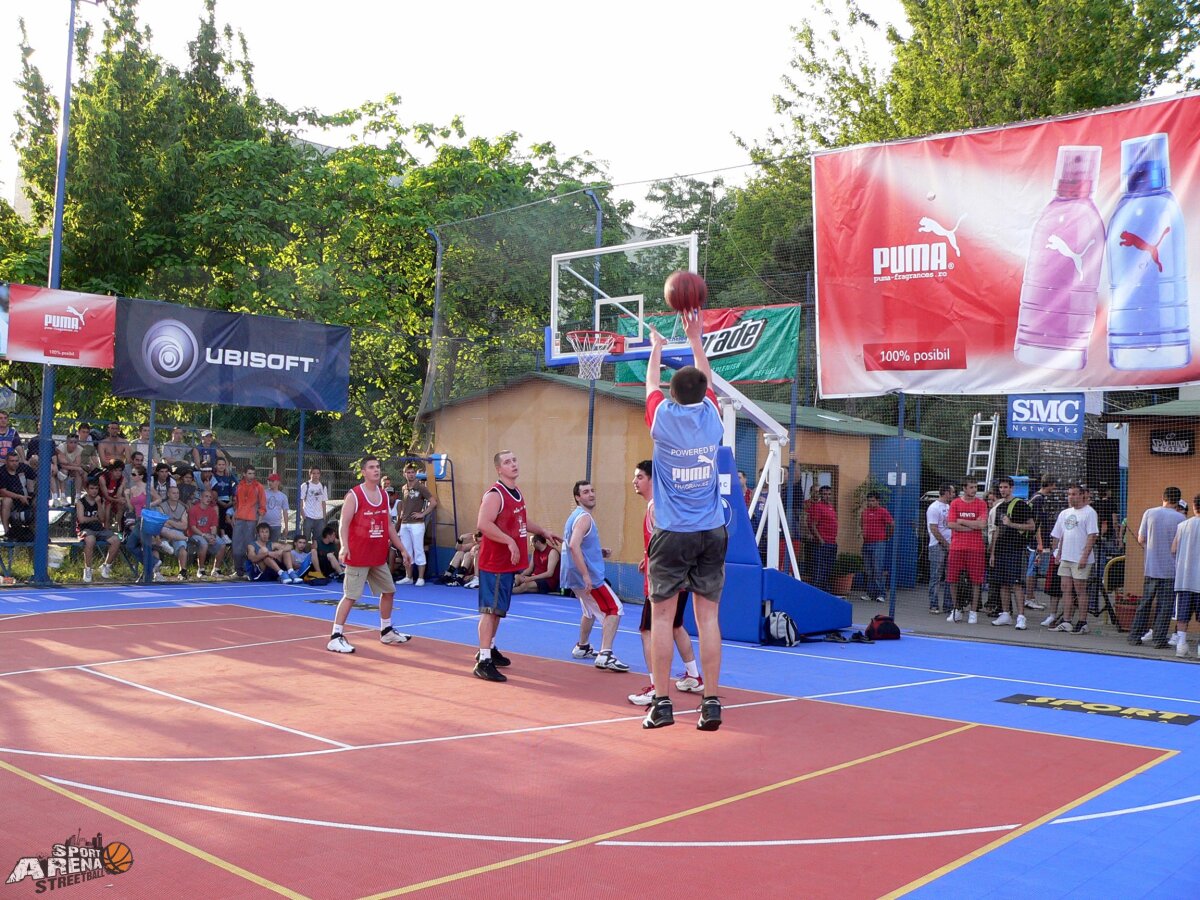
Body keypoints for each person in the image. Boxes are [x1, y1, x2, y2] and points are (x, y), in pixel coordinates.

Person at [642, 314, 725, 731]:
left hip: (673, 531)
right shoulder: (713, 416)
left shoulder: (662, 419)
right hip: (711, 530)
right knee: (708, 619)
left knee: (661, 619)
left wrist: (656, 347)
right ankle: (710, 701)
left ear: (672, 395)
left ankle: (662, 702)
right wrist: (696, 338)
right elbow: (705, 379)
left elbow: (650, 386)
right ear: (703, 394)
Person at [472, 450, 560, 682]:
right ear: (499, 469)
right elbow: (483, 523)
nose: (513, 464)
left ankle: (489, 648)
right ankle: (483, 661)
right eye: (507, 462)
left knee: (498, 611)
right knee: (490, 611)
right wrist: (509, 541)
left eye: (514, 460)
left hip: (507, 564)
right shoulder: (494, 494)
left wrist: (542, 530)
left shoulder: (516, 493)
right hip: (494, 562)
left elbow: (521, 520)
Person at [626, 459, 702, 707]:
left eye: (639, 477)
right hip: (678, 577)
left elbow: (670, 542)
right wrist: (646, 557)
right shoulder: (665, 505)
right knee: (676, 626)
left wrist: (656, 566)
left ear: (651, 479)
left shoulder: (655, 507)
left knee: (648, 631)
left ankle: (655, 687)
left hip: (663, 581)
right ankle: (692, 675)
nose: (634, 481)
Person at [326, 455, 414, 653]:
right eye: (372, 467)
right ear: (363, 472)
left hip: (377, 556)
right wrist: (344, 546)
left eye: (378, 466)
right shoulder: (355, 495)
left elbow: (389, 525)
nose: (376, 470)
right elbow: (343, 523)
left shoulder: (383, 495)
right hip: (358, 556)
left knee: (389, 590)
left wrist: (402, 548)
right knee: (351, 596)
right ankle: (335, 636)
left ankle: (386, 631)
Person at [560, 480, 630, 672]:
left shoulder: (573, 517)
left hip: (573, 577)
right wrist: (586, 575)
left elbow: (578, 545)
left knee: (589, 611)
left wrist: (598, 552)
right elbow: (574, 545)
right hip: (587, 577)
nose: (591, 494)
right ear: (577, 497)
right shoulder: (584, 518)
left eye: (592, 490)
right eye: (585, 492)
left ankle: (582, 646)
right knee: (614, 609)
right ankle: (605, 653)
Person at [1127, 486, 1185, 648]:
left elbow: (1141, 538)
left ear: (1163, 497)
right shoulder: (1180, 519)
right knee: (1165, 606)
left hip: (1151, 567)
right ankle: (1159, 639)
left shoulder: (1149, 513)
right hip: (1170, 569)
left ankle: (1134, 636)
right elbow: (1179, 545)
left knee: (1145, 603)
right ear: (1178, 500)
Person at [1047, 482, 1101, 633]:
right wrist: (1058, 553)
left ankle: (1082, 622)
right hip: (1066, 557)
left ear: (1082, 495)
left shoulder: (1089, 512)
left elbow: (1092, 536)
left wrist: (1084, 556)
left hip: (1080, 558)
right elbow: (1061, 535)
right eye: (1069, 494)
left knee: (1080, 590)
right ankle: (1066, 621)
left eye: (1074, 494)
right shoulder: (1065, 513)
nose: (1071, 497)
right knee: (1066, 589)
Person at [989, 476, 1035, 629]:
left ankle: (1021, 616)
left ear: (1012, 488)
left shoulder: (1021, 505)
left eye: (1005, 487)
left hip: (1015, 549)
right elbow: (997, 530)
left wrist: (1011, 524)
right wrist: (993, 553)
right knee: (1003, 583)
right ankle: (1006, 614)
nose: (1003, 490)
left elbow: (1031, 526)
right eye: (1001, 487)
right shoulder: (1000, 506)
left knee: (1016, 583)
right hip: (1001, 549)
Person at [946, 478, 988, 624]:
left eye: (976, 487)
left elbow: (982, 524)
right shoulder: (955, 503)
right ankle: (957, 609)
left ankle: (973, 611)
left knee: (976, 581)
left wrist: (962, 521)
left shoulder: (981, 503)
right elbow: (951, 523)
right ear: (964, 488)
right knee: (952, 579)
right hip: (957, 547)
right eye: (971, 487)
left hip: (976, 548)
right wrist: (972, 526)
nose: (974, 490)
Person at [396, 463, 437, 586]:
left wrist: (422, 514)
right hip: (405, 524)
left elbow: (433, 502)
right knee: (406, 551)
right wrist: (402, 513)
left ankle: (420, 577)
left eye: (413, 472)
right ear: (404, 474)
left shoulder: (421, 487)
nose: (411, 474)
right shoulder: (404, 488)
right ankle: (408, 577)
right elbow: (405, 503)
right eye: (408, 472)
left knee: (418, 549)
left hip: (417, 524)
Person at [1170, 494, 1200, 658]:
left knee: (1182, 615)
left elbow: (1173, 549)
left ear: (1194, 507)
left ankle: (1181, 645)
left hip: (1184, 578)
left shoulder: (1182, 525)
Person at [76, 479, 119, 583]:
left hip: (99, 529)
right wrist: (94, 519)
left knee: (116, 540)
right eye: (91, 488)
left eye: (96, 488)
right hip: (85, 529)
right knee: (90, 541)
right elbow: (81, 519)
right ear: (86, 489)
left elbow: (102, 518)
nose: (94, 491)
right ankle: (88, 569)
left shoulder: (100, 500)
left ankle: (106, 566)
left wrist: (99, 504)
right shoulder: (80, 502)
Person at [858, 490, 894, 603]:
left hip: (878, 543)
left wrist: (887, 536)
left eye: (873, 501)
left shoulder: (883, 511)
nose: (870, 503)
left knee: (877, 569)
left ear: (878, 501)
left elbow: (891, 524)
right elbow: (861, 524)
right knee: (868, 570)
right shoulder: (865, 512)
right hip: (866, 543)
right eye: (869, 501)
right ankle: (870, 593)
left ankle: (881, 594)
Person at [230, 465, 266, 574]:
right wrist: (234, 514)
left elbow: (262, 505)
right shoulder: (239, 485)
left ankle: (248, 569)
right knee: (236, 545)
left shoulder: (258, 487)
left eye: (253, 474)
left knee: (249, 545)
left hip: (251, 520)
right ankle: (238, 569)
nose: (251, 476)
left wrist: (259, 520)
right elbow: (237, 503)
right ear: (244, 474)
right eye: (249, 473)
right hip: (239, 518)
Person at [188, 488, 231, 578]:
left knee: (222, 544)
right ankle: (201, 570)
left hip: (208, 534)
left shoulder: (212, 511)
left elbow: (214, 526)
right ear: (201, 498)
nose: (208, 499)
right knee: (204, 543)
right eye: (206, 496)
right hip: (195, 534)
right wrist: (204, 536)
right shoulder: (193, 509)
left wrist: (213, 536)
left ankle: (216, 570)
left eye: (210, 497)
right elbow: (193, 528)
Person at [926, 483, 954, 614]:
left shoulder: (950, 507)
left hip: (951, 544)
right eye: (952, 492)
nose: (953, 495)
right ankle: (933, 604)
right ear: (946, 493)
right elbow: (934, 528)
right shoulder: (934, 508)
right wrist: (946, 544)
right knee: (936, 575)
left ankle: (948, 605)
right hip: (937, 545)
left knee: (950, 576)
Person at [806, 485, 838, 592]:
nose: (827, 496)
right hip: (822, 543)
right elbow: (812, 525)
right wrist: (820, 540)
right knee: (819, 568)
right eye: (825, 494)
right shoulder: (817, 506)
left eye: (829, 494)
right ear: (820, 495)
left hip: (832, 542)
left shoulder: (831, 507)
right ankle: (817, 591)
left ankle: (825, 589)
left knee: (828, 568)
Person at [156, 484, 191, 580]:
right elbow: (161, 523)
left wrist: (170, 522)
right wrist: (177, 523)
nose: (176, 495)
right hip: (163, 533)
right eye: (173, 493)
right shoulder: (161, 506)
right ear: (168, 494)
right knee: (162, 532)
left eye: (177, 493)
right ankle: (156, 573)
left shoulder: (182, 508)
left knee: (182, 547)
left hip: (177, 533)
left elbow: (184, 526)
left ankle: (183, 571)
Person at [0, 451, 36, 539]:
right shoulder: (2, 472)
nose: (14, 463)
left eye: (16, 461)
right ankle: (7, 533)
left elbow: (35, 478)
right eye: (12, 461)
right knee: (6, 500)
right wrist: (19, 497)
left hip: (27, 497)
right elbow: (2, 492)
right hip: (13, 501)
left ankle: (36, 532)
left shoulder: (24, 468)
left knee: (39, 502)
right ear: (6, 461)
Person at [208, 457, 237, 537]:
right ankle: (221, 535)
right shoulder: (213, 477)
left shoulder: (228, 476)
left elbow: (233, 488)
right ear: (216, 466)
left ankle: (230, 536)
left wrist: (231, 502)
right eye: (219, 464)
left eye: (223, 464)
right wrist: (220, 502)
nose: (221, 466)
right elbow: (213, 492)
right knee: (220, 516)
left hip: (228, 501)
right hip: (217, 501)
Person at [299, 466, 328, 545]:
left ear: (320, 475)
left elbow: (323, 502)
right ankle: (304, 555)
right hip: (308, 517)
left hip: (319, 518)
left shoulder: (323, 486)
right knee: (304, 539)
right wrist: (303, 515)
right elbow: (300, 501)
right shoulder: (305, 485)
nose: (316, 475)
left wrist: (324, 517)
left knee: (317, 541)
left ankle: (315, 556)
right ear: (310, 474)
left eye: (318, 473)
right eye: (313, 473)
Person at [57, 433, 88, 505]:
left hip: (73, 470)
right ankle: (63, 497)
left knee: (79, 473)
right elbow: (62, 465)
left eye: (75, 442)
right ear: (67, 442)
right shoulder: (61, 447)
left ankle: (78, 497)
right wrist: (76, 466)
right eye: (71, 442)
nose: (73, 444)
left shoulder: (80, 449)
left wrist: (69, 463)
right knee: (63, 472)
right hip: (62, 469)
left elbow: (78, 464)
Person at [98, 459, 127, 531]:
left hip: (114, 498)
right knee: (107, 506)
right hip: (102, 499)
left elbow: (120, 494)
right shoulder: (103, 478)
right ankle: (106, 531)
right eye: (116, 470)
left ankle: (119, 527)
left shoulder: (122, 479)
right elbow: (106, 496)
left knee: (122, 502)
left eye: (120, 471)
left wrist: (121, 486)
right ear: (111, 470)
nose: (118, 473)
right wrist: (117, 500)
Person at [263, 473, 289, 544]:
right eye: (269, 481)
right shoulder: (264, 493)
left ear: (278, 482)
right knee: (262, 545)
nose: (270, 482)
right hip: (264, 524)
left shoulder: (283, 496)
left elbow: (285, 512)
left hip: (276, 525)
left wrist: (286, 527)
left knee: (274, 546)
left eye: (272, 481)